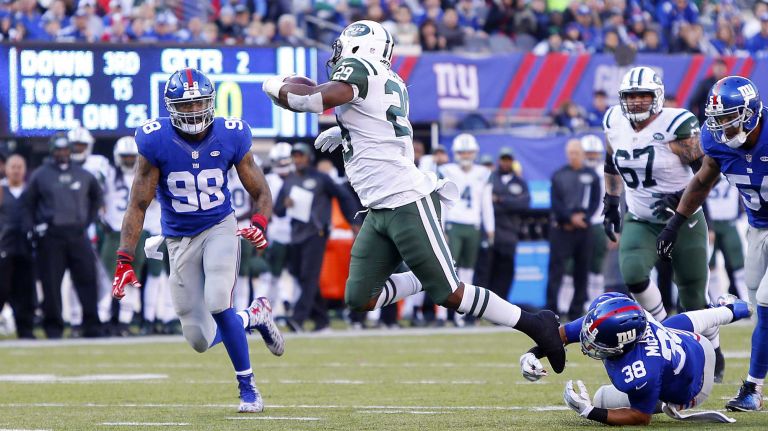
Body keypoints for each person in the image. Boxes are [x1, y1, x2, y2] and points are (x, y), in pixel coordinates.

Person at [262, 20, 567, 373]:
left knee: (451, 294)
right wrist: (346, 133)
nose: (338, 54)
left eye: (343, 46)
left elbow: (309, 98)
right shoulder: (385, 77)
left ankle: (536, 323)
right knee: (360, 298)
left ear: (360, 46)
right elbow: (382, 128)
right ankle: (426, 274)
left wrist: (270, 83)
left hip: (406, 199)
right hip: (378, 207)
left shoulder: (362, 67)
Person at [111, 68, 284, 413]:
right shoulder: (154, 139)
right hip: (178, 238)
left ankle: (248, 387)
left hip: (220, 225)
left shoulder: (231, 135)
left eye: (199, 104)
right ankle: (255, 316)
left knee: (219, 301)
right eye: (185, 106)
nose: (192, 112)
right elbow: (138, 204)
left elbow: (260, 191)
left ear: (211, 103)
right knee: (199, 339)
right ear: (171, 107)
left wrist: (261, 222)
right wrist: (124, 259)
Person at [601, 66, 725, 378]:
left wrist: (684, 195)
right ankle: (663, 329)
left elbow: (709, 173)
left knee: (693, 296)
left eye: (643, 95)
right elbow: (610, 161)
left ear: (657, 96)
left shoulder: (677, 124)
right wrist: (611, 201)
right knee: (632, 272)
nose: (637, 102)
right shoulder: (613, 120)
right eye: (631, 96)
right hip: (641, 217)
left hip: (683, 220)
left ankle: (715, 349)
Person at [656, 76, 768, 411]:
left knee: (765, 303)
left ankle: (752, 388)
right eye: (717, 120)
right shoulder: (715, 141)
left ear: (750, 114)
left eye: (729, 120)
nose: (722, 128)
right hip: (758, 228)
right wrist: (674, 224)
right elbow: (702, 181)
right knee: (757, 312)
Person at [520, 292, 752, 425]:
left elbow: (640, 416)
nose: (587, 344)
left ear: (623, 343)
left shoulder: (642, 371)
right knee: (717, 314)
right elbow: (559, 336)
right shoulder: (608, 319)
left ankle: (725, 319)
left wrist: (589, 411)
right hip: (686, 339)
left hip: (695, 387)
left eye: (596, 343)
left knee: (601, 399)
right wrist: (532, 354)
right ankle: (733, 309)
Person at [273, 142, 359, 332]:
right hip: (296, 236)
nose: (298, 160)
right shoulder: (289, 181)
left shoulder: (321, 178)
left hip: (317, 233)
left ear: (308, 158)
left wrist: (354, 221)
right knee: (301, 276)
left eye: (301, 156)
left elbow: (343, 196)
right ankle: (322, 320)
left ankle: (298, 318)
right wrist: (285, 204)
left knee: (309, 276)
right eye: (295, 157)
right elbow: (277, 211)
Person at [24, 133, 103, 339]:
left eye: (65, 149)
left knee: (87, 278)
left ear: (71, 150)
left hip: (77, 233)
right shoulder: (40, 175)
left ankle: (91, 325)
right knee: (51, 283)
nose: (62, 153)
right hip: (51, 235)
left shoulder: (83, 174)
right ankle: (53, 327)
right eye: (58, 150)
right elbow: (28, 204)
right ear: (52, 151)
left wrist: (87, 220)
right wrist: (33, 228)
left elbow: (97, 197)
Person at [439, 133, 495, 322]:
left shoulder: (483, 173)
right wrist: (441, 226)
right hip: (454, 224)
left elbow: (486, 204)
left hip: (473, 225)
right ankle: (442, 314)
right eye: (462, 152)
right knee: (449, 270)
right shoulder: (446, 170)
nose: (465, 155)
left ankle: (463, 313)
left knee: (468, 271)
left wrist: (490, 228)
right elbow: (442, 201)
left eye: (468, 151)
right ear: (455, 153)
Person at [546, 139, 600, 319]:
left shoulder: (591, 175)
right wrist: (569, 218)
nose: (573, 156)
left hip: (583, 229)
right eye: (570, 153)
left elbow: (595, 200)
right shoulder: (558, 175)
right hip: (562, 229)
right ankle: (552, 309)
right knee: (556, 270)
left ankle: (576, 311)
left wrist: (583, 218)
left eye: (576, 153)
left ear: (582, 154)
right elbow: (555, 202)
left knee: (581, 271)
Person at [100, 136, 145, 336]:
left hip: (136, 233)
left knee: (131, 280)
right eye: (124, 157)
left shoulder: (146, 174)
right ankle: (104, 320)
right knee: (107, 279)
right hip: (114, 233)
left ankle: (124, 322)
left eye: (131, 157)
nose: (128, 160)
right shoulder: (108, 174)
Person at [485, 147, 529, 302]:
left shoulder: (519, 182)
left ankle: (501, 306)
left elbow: (524, 204)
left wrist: (501, 200)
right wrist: (510, 202)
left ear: (512, 161)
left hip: (510, 234)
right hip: (491, 233)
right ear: (499, 161)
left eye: (508, 159)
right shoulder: (490, 178)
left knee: (506, 272)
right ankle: (485, 309)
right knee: (488, 271)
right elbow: (486, 204)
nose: (505, 162)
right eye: (503, 159)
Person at [0, 155, 36, 338]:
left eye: (19, 166)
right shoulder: (1, 189)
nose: (15, 170)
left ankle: (26, 329)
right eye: (12, 166)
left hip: (25, 248)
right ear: (6, 168)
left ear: (24, 170)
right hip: (4, 248)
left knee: (25, 291)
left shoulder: (30, 191)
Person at [706, 175, 748, 302]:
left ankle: (747, 300)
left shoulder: (732, 164)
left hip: (730, 222)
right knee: (710, 264)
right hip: (708, 222)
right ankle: (716, 303)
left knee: (739, 264)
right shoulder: (703, 163)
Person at [263, 143, 293, 314]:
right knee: (273, 273)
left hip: (296, 231)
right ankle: (277, 307)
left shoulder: (298, 177)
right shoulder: (268, 180)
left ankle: (288, 305)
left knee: (293, 273)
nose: (282, 166)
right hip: (275, 230)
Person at [581, 135, 608, 302]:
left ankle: (595, 303)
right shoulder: (575, 170)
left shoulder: (605, 171)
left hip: (599, 222)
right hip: (578, 223)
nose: (591, 156)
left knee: (597, 267)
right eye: (588, 153)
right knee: (571, 268)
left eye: (594, 153)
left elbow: (612, 199)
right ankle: (567, 307)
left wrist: (614, 227)